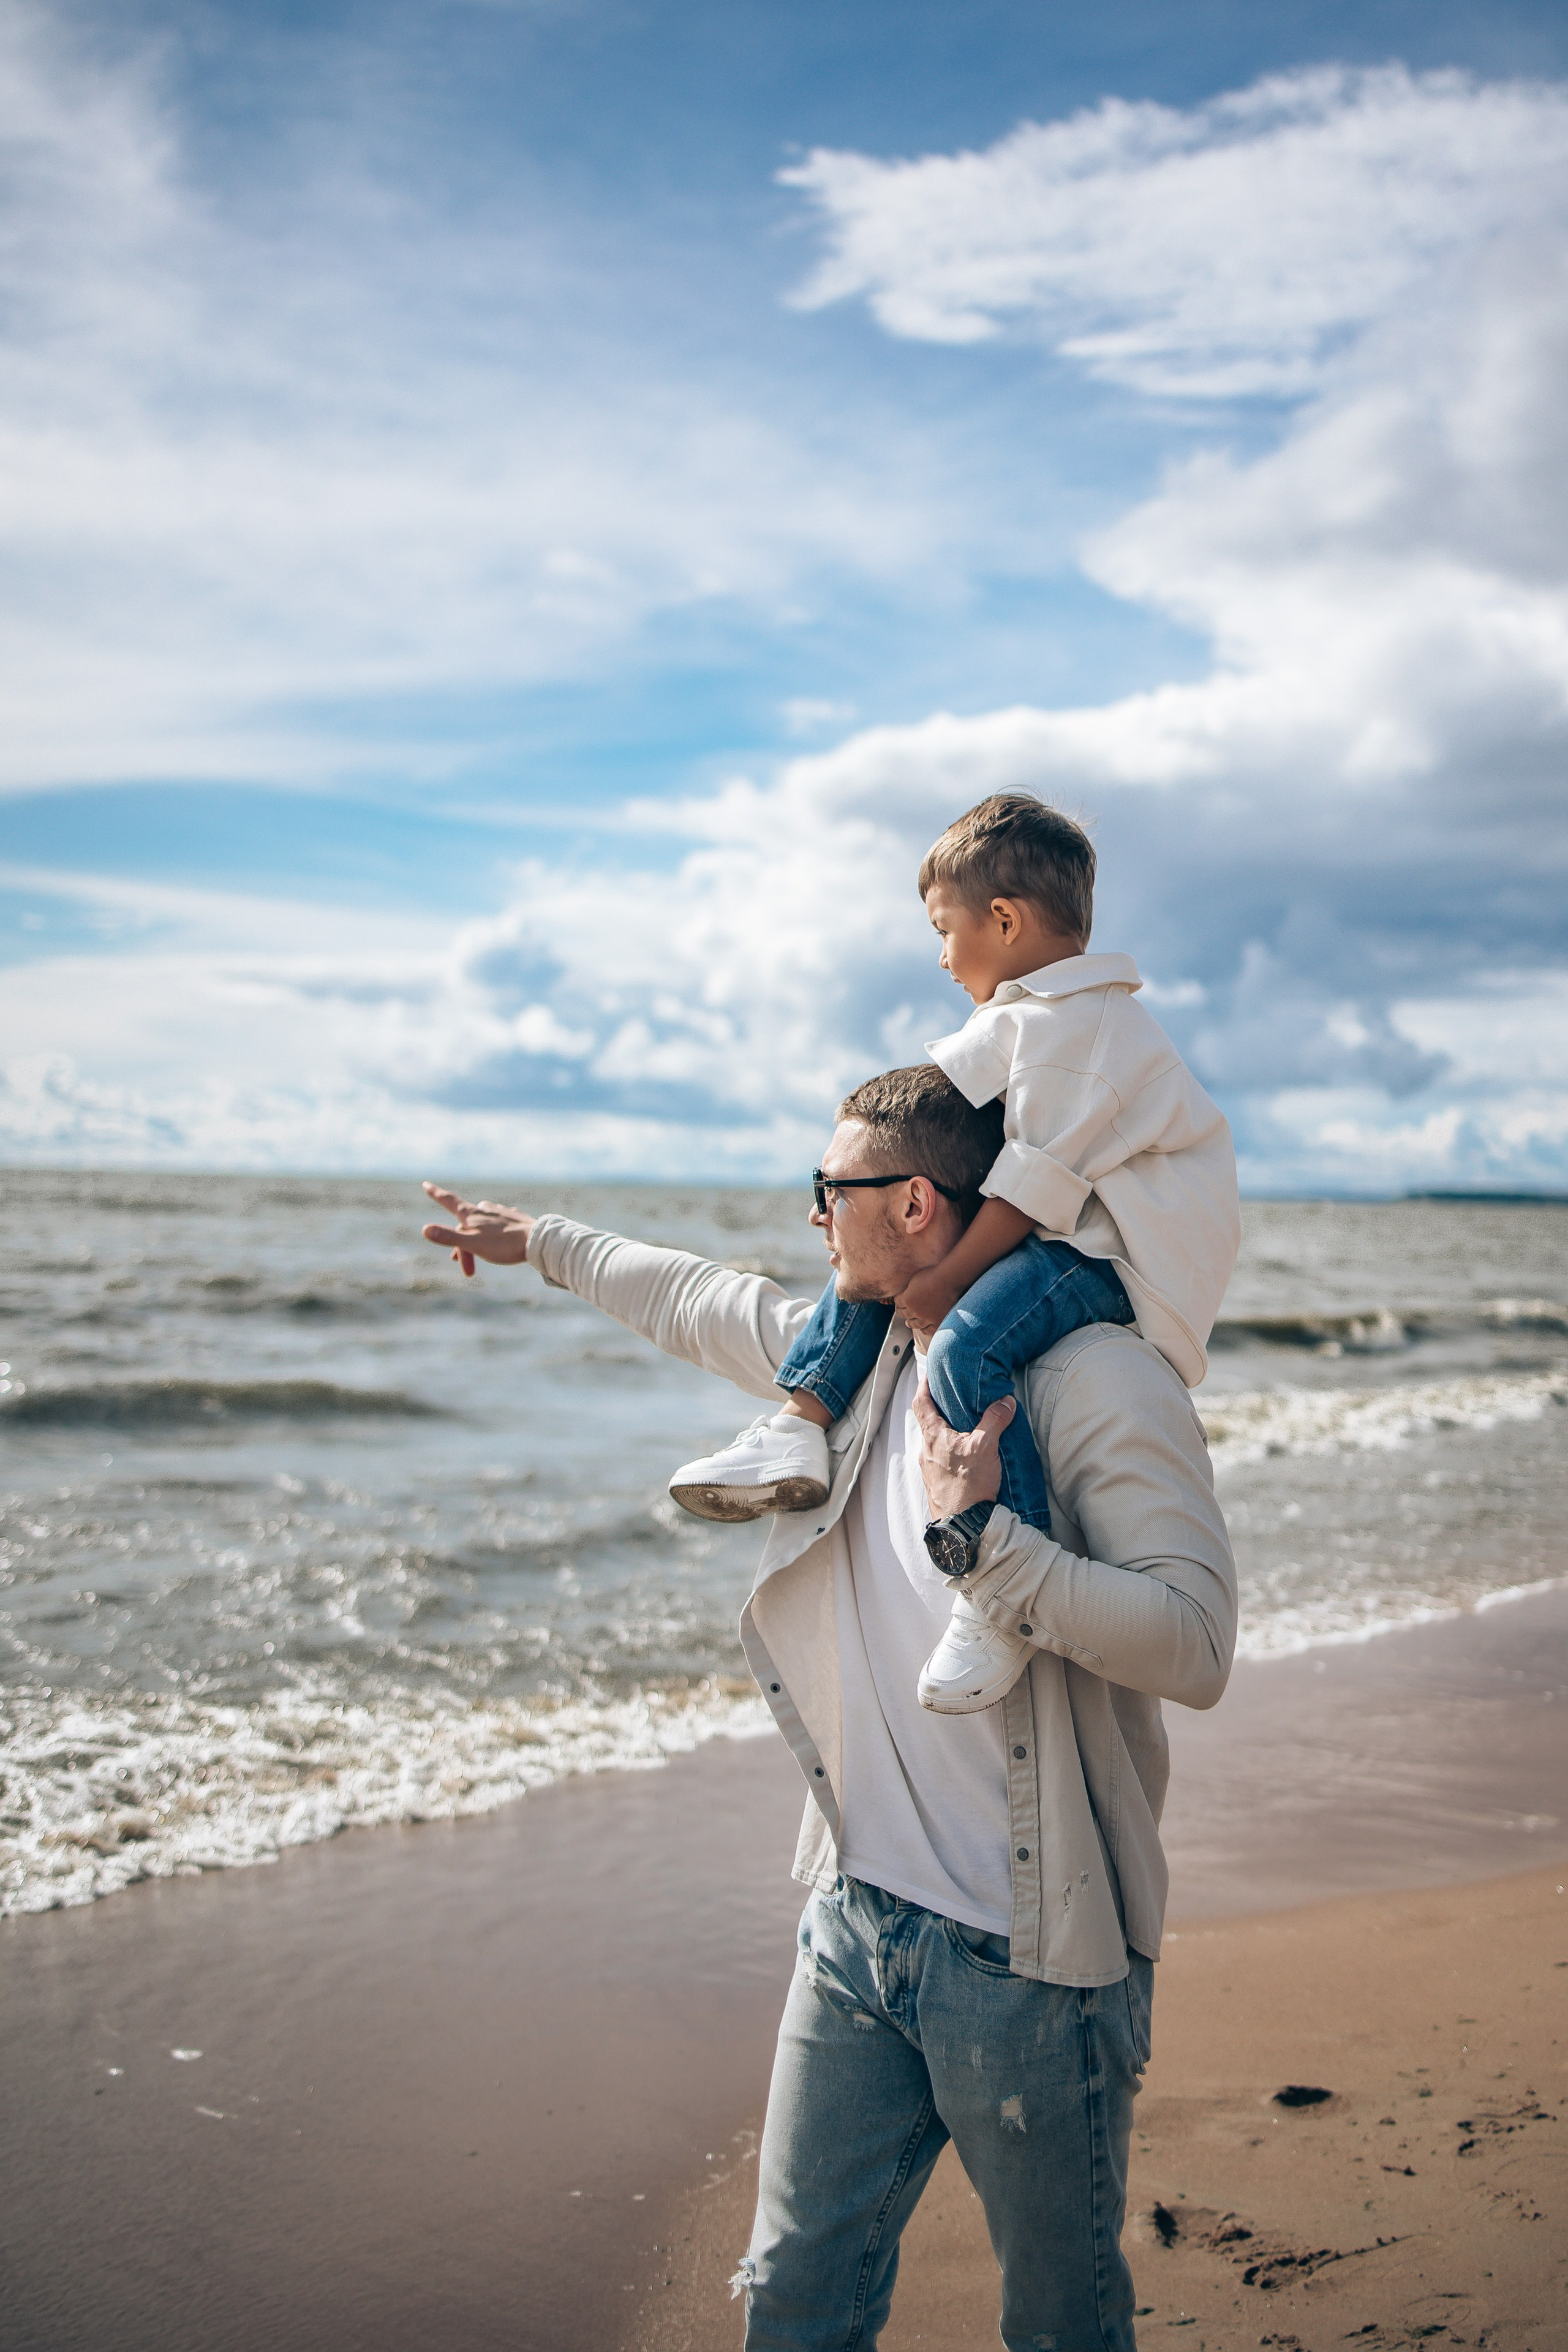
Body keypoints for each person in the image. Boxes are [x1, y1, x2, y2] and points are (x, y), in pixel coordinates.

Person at [420, 1063, 1237, 2352]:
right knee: (794, 2296)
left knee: (1060, 2325)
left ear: (914, 1204)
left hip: (1030, 1961)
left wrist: (988, 1543)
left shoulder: (1096, 1383)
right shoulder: (853, 1361)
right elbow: (700, 1297)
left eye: (829, 1191)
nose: (812, 1218)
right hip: (854, 1926)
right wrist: (540, 1244)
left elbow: (1194, 1646)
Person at [667, 792, 1240, 1719]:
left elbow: (1031, 1186)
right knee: (884, 1234)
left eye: (946, 931)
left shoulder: (1084, 1032)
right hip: (1077, 1226)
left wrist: (944, 1279)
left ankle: (989, 1582)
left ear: (1004, 920)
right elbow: (934, 1120)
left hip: (1124, 1261)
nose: (940, 957)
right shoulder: (1033, 1013)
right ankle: (799, 1417)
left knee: (967, 1339)